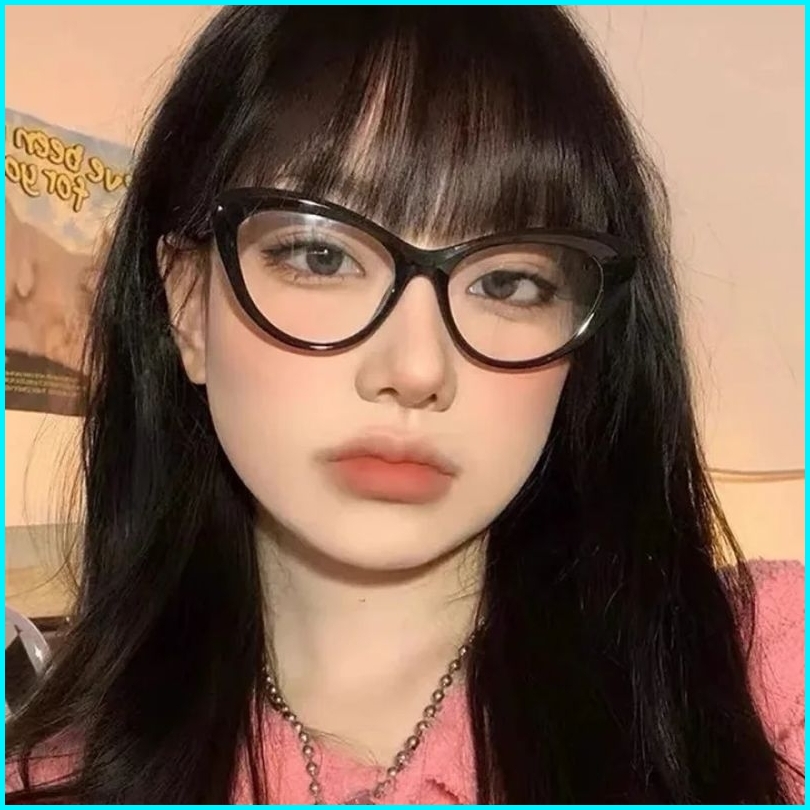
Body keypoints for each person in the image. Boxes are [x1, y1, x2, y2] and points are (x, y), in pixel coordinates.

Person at [5, 6, 804, 804]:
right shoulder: (58, 781)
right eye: (321, 255)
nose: (418, 368)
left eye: (509, 282)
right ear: (188, 306)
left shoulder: (765, 677)